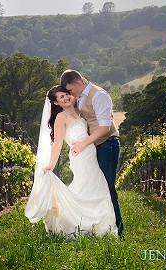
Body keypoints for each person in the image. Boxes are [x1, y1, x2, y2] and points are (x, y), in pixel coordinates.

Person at [25, 85, 117, 236]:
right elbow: (58, 143)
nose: (66, 98)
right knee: (95, 184)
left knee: (91, 186)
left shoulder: (79, 111)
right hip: (80, 157)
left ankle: (93, 223)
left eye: (66, 94)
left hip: (90, 152)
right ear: (56, 103)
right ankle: (86, 224)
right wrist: (51, 165)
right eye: (61, 97)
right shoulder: (61, 118)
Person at [60, 69, 124, 237]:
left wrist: (83, 143)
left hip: (107, 144)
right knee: (97, 186)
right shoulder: (79, 96)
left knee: (108, 187)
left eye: (70, 90)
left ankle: (119, 231)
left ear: (79, 83)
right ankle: (98, 225)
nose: (70, 94)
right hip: (95, 145)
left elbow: (104, 128)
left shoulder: (99, 95)